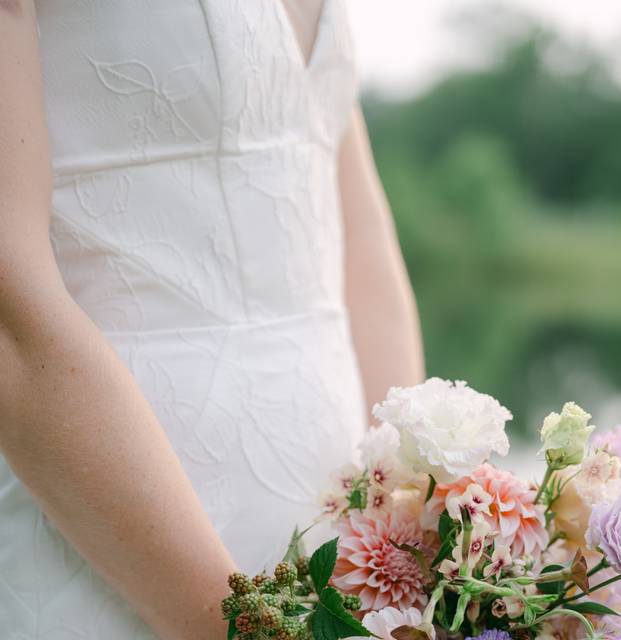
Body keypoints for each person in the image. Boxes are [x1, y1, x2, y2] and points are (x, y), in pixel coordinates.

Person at [0, 1, 424, 638]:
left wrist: (414, 555)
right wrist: (246, 628)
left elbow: (358, 249)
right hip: (118, 553)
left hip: (337, 564)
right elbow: (11, 305)